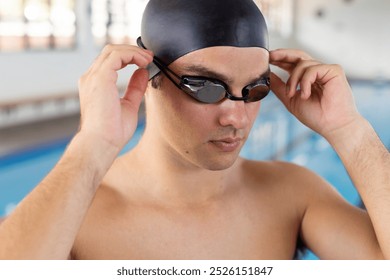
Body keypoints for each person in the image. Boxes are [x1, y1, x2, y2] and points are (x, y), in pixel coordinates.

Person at [0, 0, 389, 260]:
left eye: (255, 90)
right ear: (149, 73)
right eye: (206, 87)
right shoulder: (73, 215)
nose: (235, 118)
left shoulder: (294, 195)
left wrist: (351, 131)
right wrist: (91, 146)